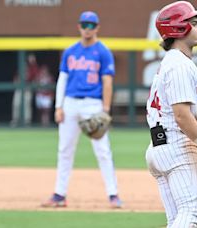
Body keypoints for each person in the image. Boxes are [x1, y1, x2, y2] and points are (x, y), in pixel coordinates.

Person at [145, 1, 197, 227]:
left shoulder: (171, 62)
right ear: (178, 29)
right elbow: (181, 115)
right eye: (193, 23)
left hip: (160, 147)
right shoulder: (179, 65)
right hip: (177, 147)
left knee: (176, 220)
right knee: (190, 213)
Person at [42, 11, 122, 208]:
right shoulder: (70, 51)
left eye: (91, 25)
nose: (87, 29)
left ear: (97, 27)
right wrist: (58, 106)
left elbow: (107, 81)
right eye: (84, 25)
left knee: (103, 150)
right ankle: (59, 195)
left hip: (92, 104)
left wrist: (105, 109)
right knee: (65, 150)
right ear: (79, 26)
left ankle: (113, 194)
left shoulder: (102, 51)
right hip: (70, 103)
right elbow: (62, 79)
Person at [10, 53, 39, 126]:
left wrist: (33, 63)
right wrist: (16, 83)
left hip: (27, 87)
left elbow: (35, 75)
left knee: (26, 105)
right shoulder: (22, 66)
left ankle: (27, 121)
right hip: (19, 87)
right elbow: (16, 77)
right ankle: (15, 120)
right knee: (16, 104)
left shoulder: (32, 67)